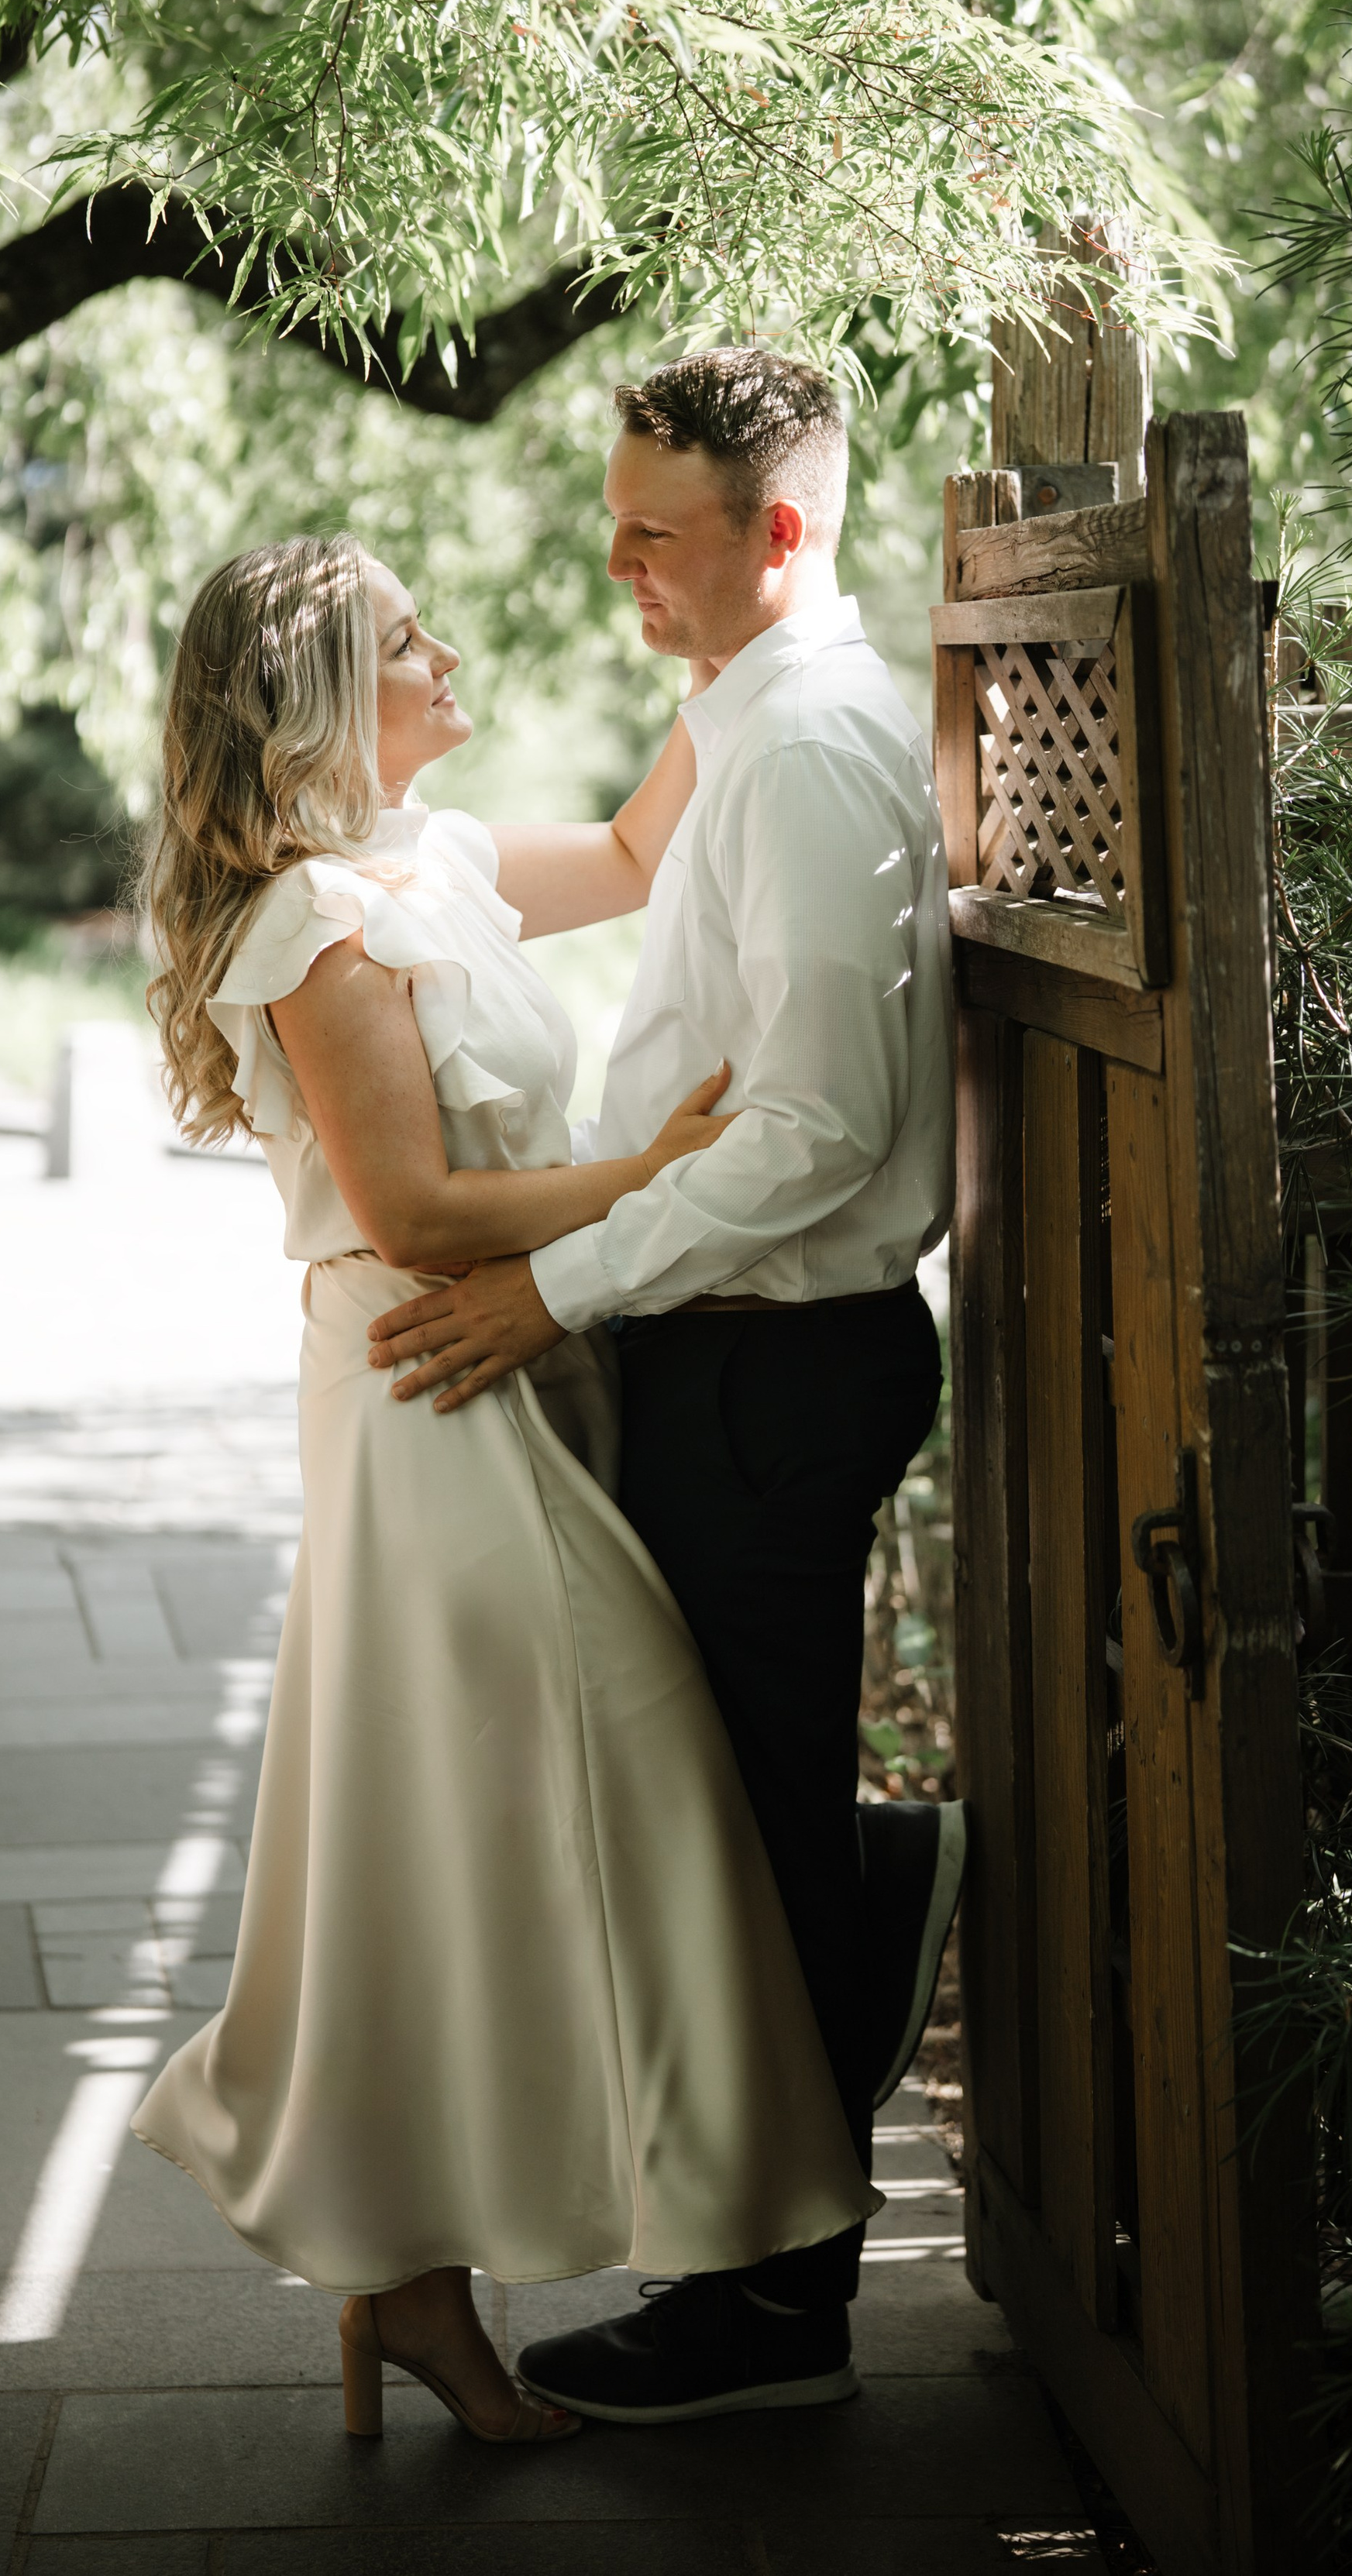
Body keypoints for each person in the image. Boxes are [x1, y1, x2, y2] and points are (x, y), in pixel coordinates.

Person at [129, 534, 878, 2448]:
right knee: (630, 1764)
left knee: (439, 1830)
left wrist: (787, 643)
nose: (446, 653)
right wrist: (660, 1172)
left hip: (523, 1364)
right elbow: (418, 1210)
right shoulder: (308, 924)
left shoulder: (432, 863)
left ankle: (411, 2274)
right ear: (310, 700)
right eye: (401, 642)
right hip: (423, 1387)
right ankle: (742, 2227)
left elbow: (637, 851)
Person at [366, 347, 962, 2423]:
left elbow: (809, 1125)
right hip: (739, 1348)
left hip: (772, 1361)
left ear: (776, 534)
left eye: (653, 527)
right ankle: (860, 1951)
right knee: (732, 1811)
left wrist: (558, 1285)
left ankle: (777, 2315)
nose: (614, 557)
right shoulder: (754, 728)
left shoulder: (799, 753)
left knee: (750, 1829)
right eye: (614, 513)